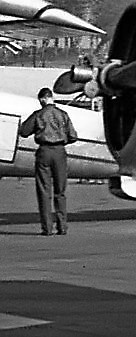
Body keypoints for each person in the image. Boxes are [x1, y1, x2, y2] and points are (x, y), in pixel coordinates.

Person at [18, 88, 77, 236]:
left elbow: (24, 131)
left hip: (44, 151)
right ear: (51, 97)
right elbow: (73, 136)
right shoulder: (63, 115)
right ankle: (62, 226)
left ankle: (47, 228)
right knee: (60, 191)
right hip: (60, 152)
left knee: (44, 190)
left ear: (43, 99)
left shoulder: (38, 115)